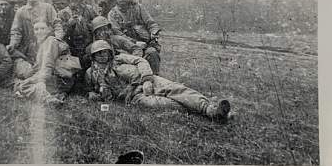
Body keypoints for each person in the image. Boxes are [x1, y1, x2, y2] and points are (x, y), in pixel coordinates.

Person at [85, 40, 232, 122]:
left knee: (176, 89)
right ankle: (209, 110)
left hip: (147, 81)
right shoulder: (91, 73)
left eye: (105, 52)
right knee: (164, 104)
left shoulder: (119, 58)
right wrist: (95, 94)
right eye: (98, 54)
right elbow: (91, 90)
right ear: (93, 56)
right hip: (134, 96)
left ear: (109, 52)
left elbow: (140, 61)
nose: (102, 56)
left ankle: (209, 109)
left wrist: (147, 80)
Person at [14, 21, 74, 105]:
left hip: (60, 79)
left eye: (42, 28)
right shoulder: (43, 44)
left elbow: (47, 69)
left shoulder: (51, 41)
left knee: (24, 85)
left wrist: (30, 80)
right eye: (36, 29)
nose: (39, 32)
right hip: (55, 77)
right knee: (20, 83)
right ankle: (53, 95)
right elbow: (38, 67)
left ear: (49, 30)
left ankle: (48, 98)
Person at [107, 0, 161, 74]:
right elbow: (118, 34)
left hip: (145, 44)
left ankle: (154, 77)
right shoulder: (112, 14)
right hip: (126, 47)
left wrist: (154, 32)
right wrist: (135, 43)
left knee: (152, 53)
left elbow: (151, 23)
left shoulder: (138, 8)